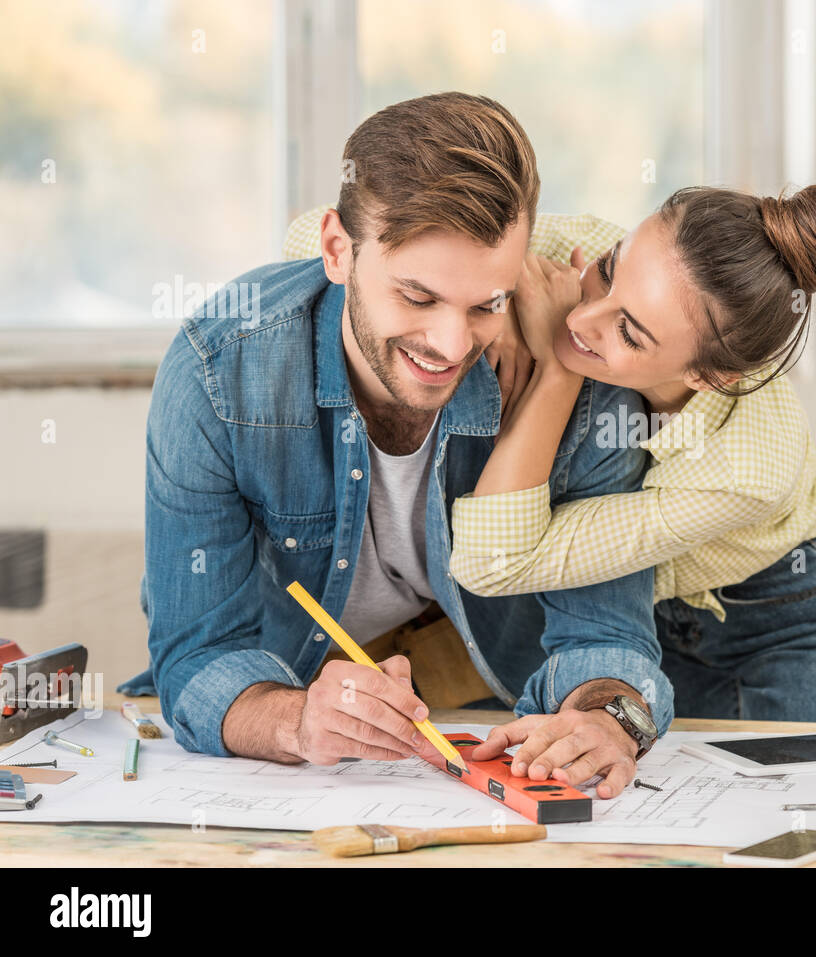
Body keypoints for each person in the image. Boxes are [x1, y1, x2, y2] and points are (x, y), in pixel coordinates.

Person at [118, 93, 673, 799]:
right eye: (417, 296)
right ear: (337, 250)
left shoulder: (582, 380)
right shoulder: (218, 370)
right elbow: (197, 659)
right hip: (292, 713)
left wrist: (611, 720)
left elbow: (606, 636)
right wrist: (296, 721)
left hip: (492, 713)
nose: (450, 345)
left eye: (486, 304)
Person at [448, 184, 816, 723]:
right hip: (648, 620)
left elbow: (490, 564)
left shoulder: (746, 472)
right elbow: (354, 239)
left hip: (792, 620)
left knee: (802, 802)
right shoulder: (592, 250)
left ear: (708, 376)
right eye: (609, 274)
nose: (578, 319)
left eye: (629, 333)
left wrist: (557, 368)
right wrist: (497, 289)